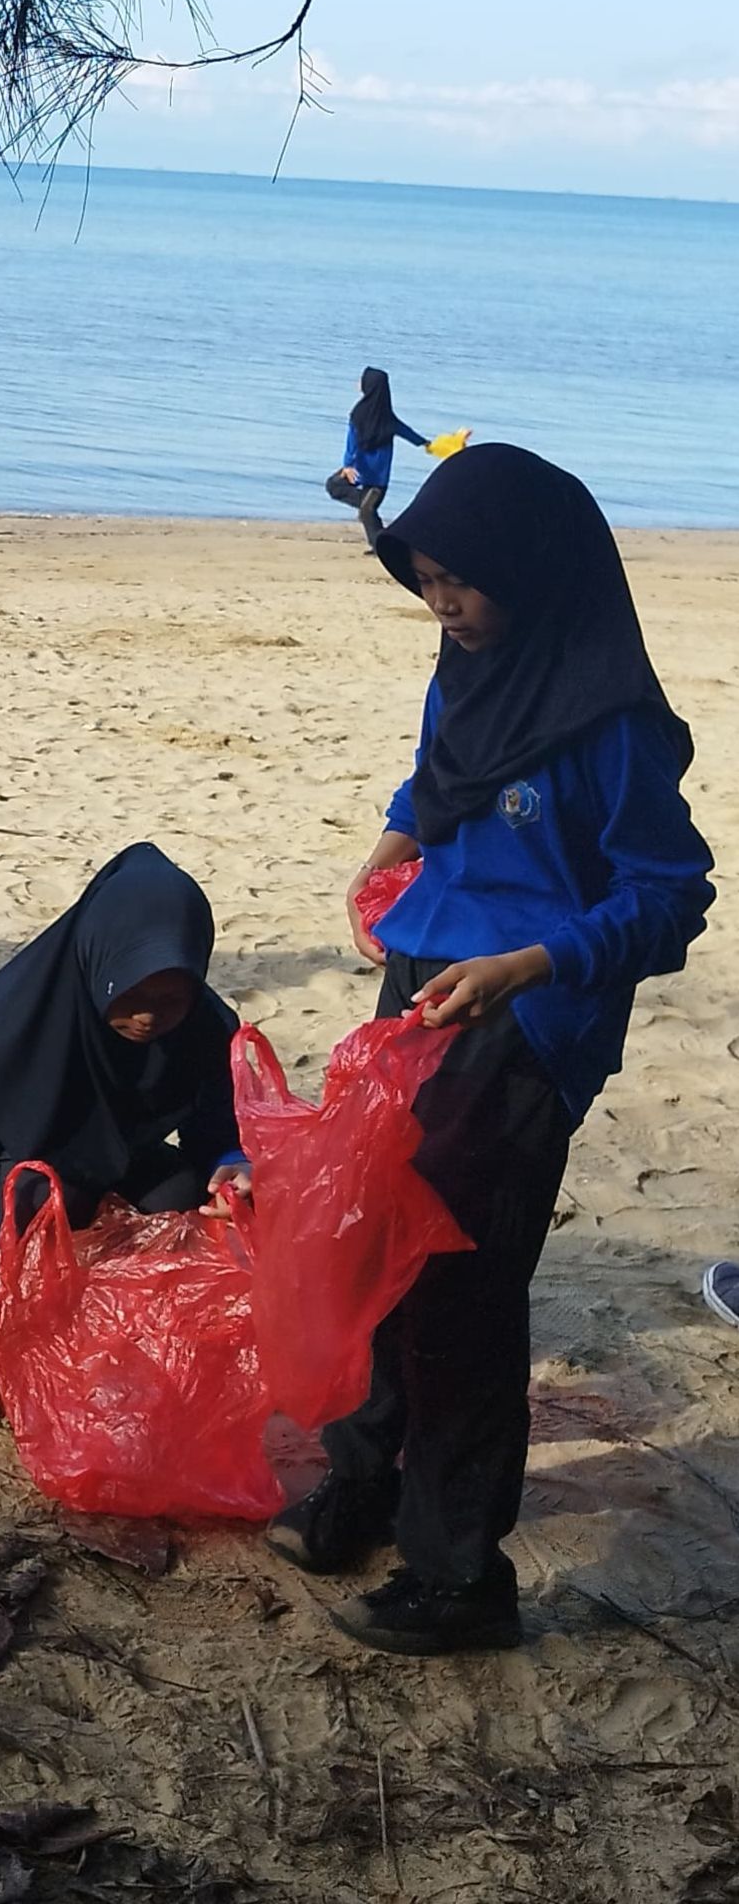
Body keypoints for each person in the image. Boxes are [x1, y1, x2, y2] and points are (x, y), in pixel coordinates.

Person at [279, 442, 711, 1655]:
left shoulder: (609, 725)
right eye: (422, 582)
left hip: (526, 1021)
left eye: (458, 583)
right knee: (371, 1239)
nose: (441, 606)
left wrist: (531, 966)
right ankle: (359, 1489)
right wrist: (388, 843)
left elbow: (672, 895)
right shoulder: (464, 665)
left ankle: (460, 1576)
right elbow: (438, 775)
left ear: (530, 573)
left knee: (461, 1290)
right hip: (423, 981)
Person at [0, 843, 247, 1420]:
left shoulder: (204, 1029)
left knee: (183, 1195)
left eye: (171, 998)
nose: (151, 1016)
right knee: (33, 1198)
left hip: (101, 1144)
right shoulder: (14, 1032)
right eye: (130, 994)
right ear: (98, 966)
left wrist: (232, 1166)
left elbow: (215, 1135)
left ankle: (89, 1305)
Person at [329, 366, 433, 553]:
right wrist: (426, 443)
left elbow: (352, 442)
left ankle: (380, 545)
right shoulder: (377, 416)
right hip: (369, 477)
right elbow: (407, 433)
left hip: (369, 478)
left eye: (362, 380)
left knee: (362, 508)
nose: (358, 383)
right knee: (345, 494)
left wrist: (347, 465)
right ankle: (374, 527)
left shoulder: (369, 415)